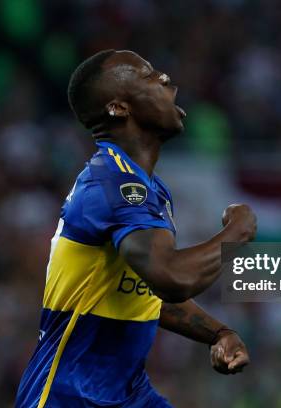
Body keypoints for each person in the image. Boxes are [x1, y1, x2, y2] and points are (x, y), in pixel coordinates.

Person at [15, 49, 257, 408]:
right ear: (118, 108)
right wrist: (238, 230)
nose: (165, 80)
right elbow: (170, 277)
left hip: (128, 394)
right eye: (148, 76)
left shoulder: (145, 188)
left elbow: (147, 294)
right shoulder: (112, 184)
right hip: (68, 397)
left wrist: (219, 332)